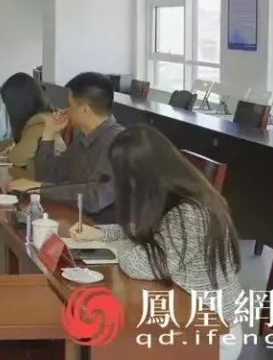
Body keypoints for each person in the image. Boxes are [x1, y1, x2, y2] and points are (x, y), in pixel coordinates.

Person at [70, 125, 243, 357]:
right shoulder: (177, 196)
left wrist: (122, 246)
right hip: (182, 312)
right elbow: (150, 232)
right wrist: (103, 234)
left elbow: (140, 264)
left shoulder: (191, 213)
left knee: (116, 341)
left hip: (211, 334)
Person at [28, 72, 123, 222]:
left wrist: (40, 189)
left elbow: (95, 197)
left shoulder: (116, 142)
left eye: (70, 105)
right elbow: (48, 176)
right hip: (77, 219)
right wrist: (48, 134)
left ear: (85, 109)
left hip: (102, 229)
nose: (66, 110)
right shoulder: (83, 137)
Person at [0, 72, 60, 177]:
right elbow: (16, 142)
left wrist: (6, 151)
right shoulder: (37, 119)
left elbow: (17, 158)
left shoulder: (41, 124)